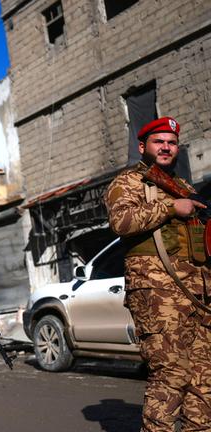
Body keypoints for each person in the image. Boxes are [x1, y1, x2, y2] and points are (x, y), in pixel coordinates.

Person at [105, 117, 211, 431]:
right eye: (158, 141)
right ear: (143, 147)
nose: (166, 147)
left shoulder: (185, 188)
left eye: (171, 142)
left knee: (203, 379)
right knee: (171, 374)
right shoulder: (128, 182)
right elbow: (121, 223)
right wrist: (168, 208)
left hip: (197, 295)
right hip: (157, 294)